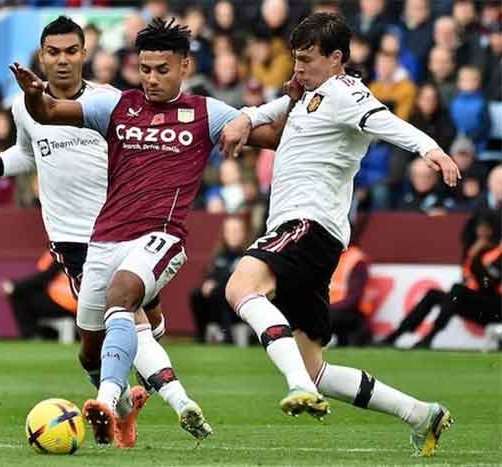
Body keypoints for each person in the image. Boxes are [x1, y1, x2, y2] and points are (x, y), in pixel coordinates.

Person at [0, 16, 229, 447]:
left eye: (70, 51)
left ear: (84, 54)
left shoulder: (112, 101)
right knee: (96, 347)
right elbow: (25, 155)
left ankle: (163, 401)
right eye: (52, 53)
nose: (61, 60)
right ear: (42, 56)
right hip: (74, 239)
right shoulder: (26, 106)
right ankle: (126, 403)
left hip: (128, 231)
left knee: (132, 320)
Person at [9, 17, 282, 446]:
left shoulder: (207, 112)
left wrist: (260, 114)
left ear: (185, 67)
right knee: (89, 348)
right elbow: (48, 112)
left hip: (161, 237)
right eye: (146, 69)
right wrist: (33, 94)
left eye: (162, 70)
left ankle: (106, 398)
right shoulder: (117, 106)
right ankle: (127, 410)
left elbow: (275, 138)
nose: (152, 79)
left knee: (123, 296)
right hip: (106, 237)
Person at [220, 13, 460, 457]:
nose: (297, 69)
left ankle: (294, 386)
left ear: (336, 59)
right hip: (314, 235)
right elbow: (277, 109)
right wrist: (247, 116)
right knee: (316, 369)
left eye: (307, 60)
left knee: (240, 286)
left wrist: (433, 150)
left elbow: (387, 122)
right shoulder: (312, 95)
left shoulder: (347, 93)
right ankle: (421, 413)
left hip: (306, 225)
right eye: (295, 59)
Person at [382, 209, 502, 348]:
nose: (481, 232)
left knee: (457, 291)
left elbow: (488, 285)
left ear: (493, 230)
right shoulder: (473, 249)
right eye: (479, 228)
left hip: (495, 307)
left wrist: (474, 257)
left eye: (485, 228)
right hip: (474, 302)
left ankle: (430, 337)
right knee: (434, 294)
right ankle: (395, 335)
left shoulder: (497, 254)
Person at [190, 215, 249, 343]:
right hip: (216, 305)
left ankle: (228, 337)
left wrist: (216, 283)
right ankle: (202, 335)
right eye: (229, 231)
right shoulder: (219, 255)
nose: (233, 235)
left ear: (243, 233)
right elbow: (211, 274)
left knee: (221, 290)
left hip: (238, 306)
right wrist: (208, 282)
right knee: (196, 294)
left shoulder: (248, 255)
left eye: (236, 231)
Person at [0, 251, 76, 339]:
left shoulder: (64, 250)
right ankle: (43, 334)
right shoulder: (72, 250)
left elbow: (44, 278)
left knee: (19, 297)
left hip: (67, 303)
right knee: (27, 294)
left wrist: (14, 286)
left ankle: (32, 337)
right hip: (76, 303)